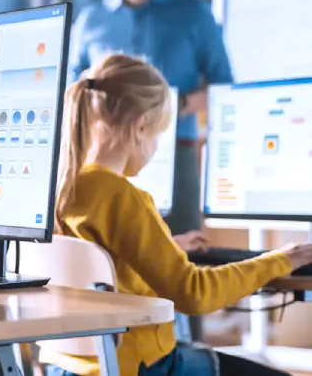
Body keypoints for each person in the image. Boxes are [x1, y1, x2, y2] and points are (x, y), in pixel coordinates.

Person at [41, 54, 312, 376]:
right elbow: (195, 293)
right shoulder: (122, 197)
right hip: (139, 366)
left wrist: (164, 247)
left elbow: (97, 263)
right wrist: (281, 259)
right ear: (141, 125)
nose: (156, 148)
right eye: (158, 134)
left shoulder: (62, 187)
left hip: (65, 366)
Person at [69, 0, 232, 340]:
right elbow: (74, 92)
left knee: (182, 260)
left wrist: (170, 109)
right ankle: (120, 345)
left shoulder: (193, 14)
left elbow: (223, 87)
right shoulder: (90, 20)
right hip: (107, 162)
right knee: (114, 260)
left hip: (174, 151)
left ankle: (185, 348)